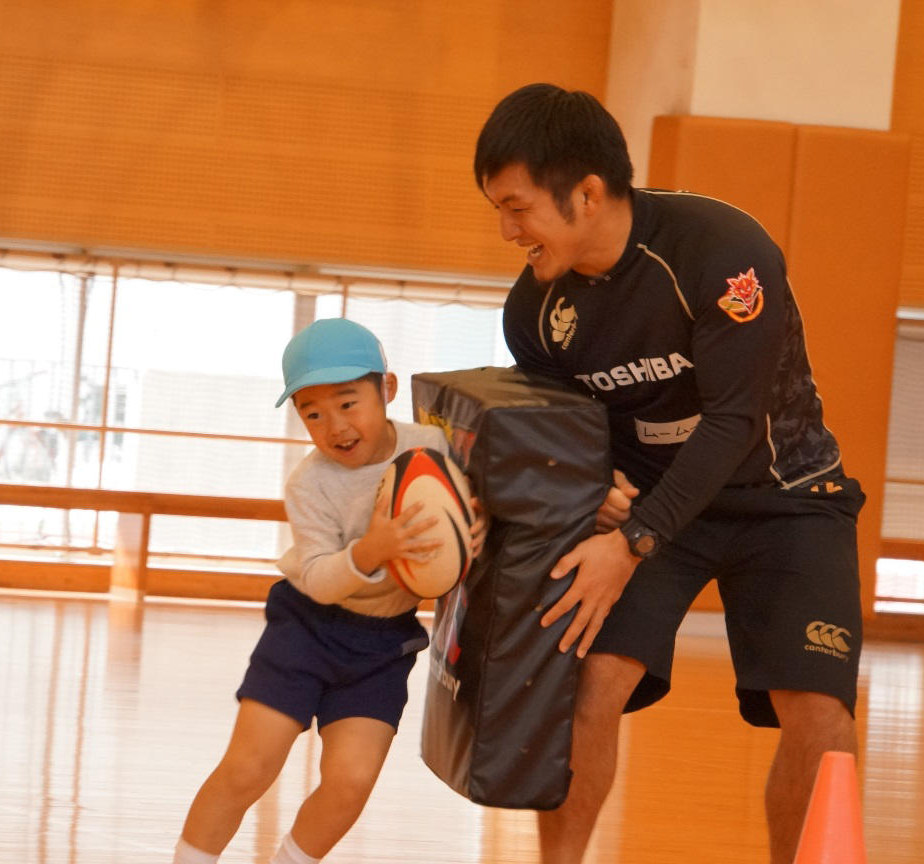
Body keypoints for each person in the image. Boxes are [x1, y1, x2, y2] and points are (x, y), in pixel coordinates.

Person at [473, 83, 866, 864]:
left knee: (820, 716)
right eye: (499, 210)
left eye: (517, 207)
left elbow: (731, 423)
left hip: (787, 498)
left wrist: (635, 541)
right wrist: (598, 485)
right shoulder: (535, 314)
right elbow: (566, 434)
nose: (507, 229)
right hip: (654, 510)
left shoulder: (722, 255)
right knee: (592, 686)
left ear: (586, 192)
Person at [173, 317, 484, 864]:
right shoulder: (309, 483)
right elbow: (316, 577)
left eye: (347, 402)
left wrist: (471, 528)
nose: (333, 425)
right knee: (248, 768)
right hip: (306, 630)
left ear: (386, 390)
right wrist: (372, 548)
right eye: (311, 413)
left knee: (351, 780)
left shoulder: (430, 447)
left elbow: (468, 511)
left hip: (383, 643)